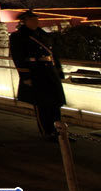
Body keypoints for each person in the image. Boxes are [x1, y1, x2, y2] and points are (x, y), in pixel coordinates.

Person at [9, 10, 67, 140]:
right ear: (25, 21)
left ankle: (59, 131)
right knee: (42, 104)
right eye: (33, 19)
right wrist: (26, 77)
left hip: (49, 72)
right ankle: (47, 131)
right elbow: (18, 57)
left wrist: (58, 71)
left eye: (36, 19)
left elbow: (53, 54)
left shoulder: (42, 34)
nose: (36, 21)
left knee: (55, 103)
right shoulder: (18, 37)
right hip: (36, 72)